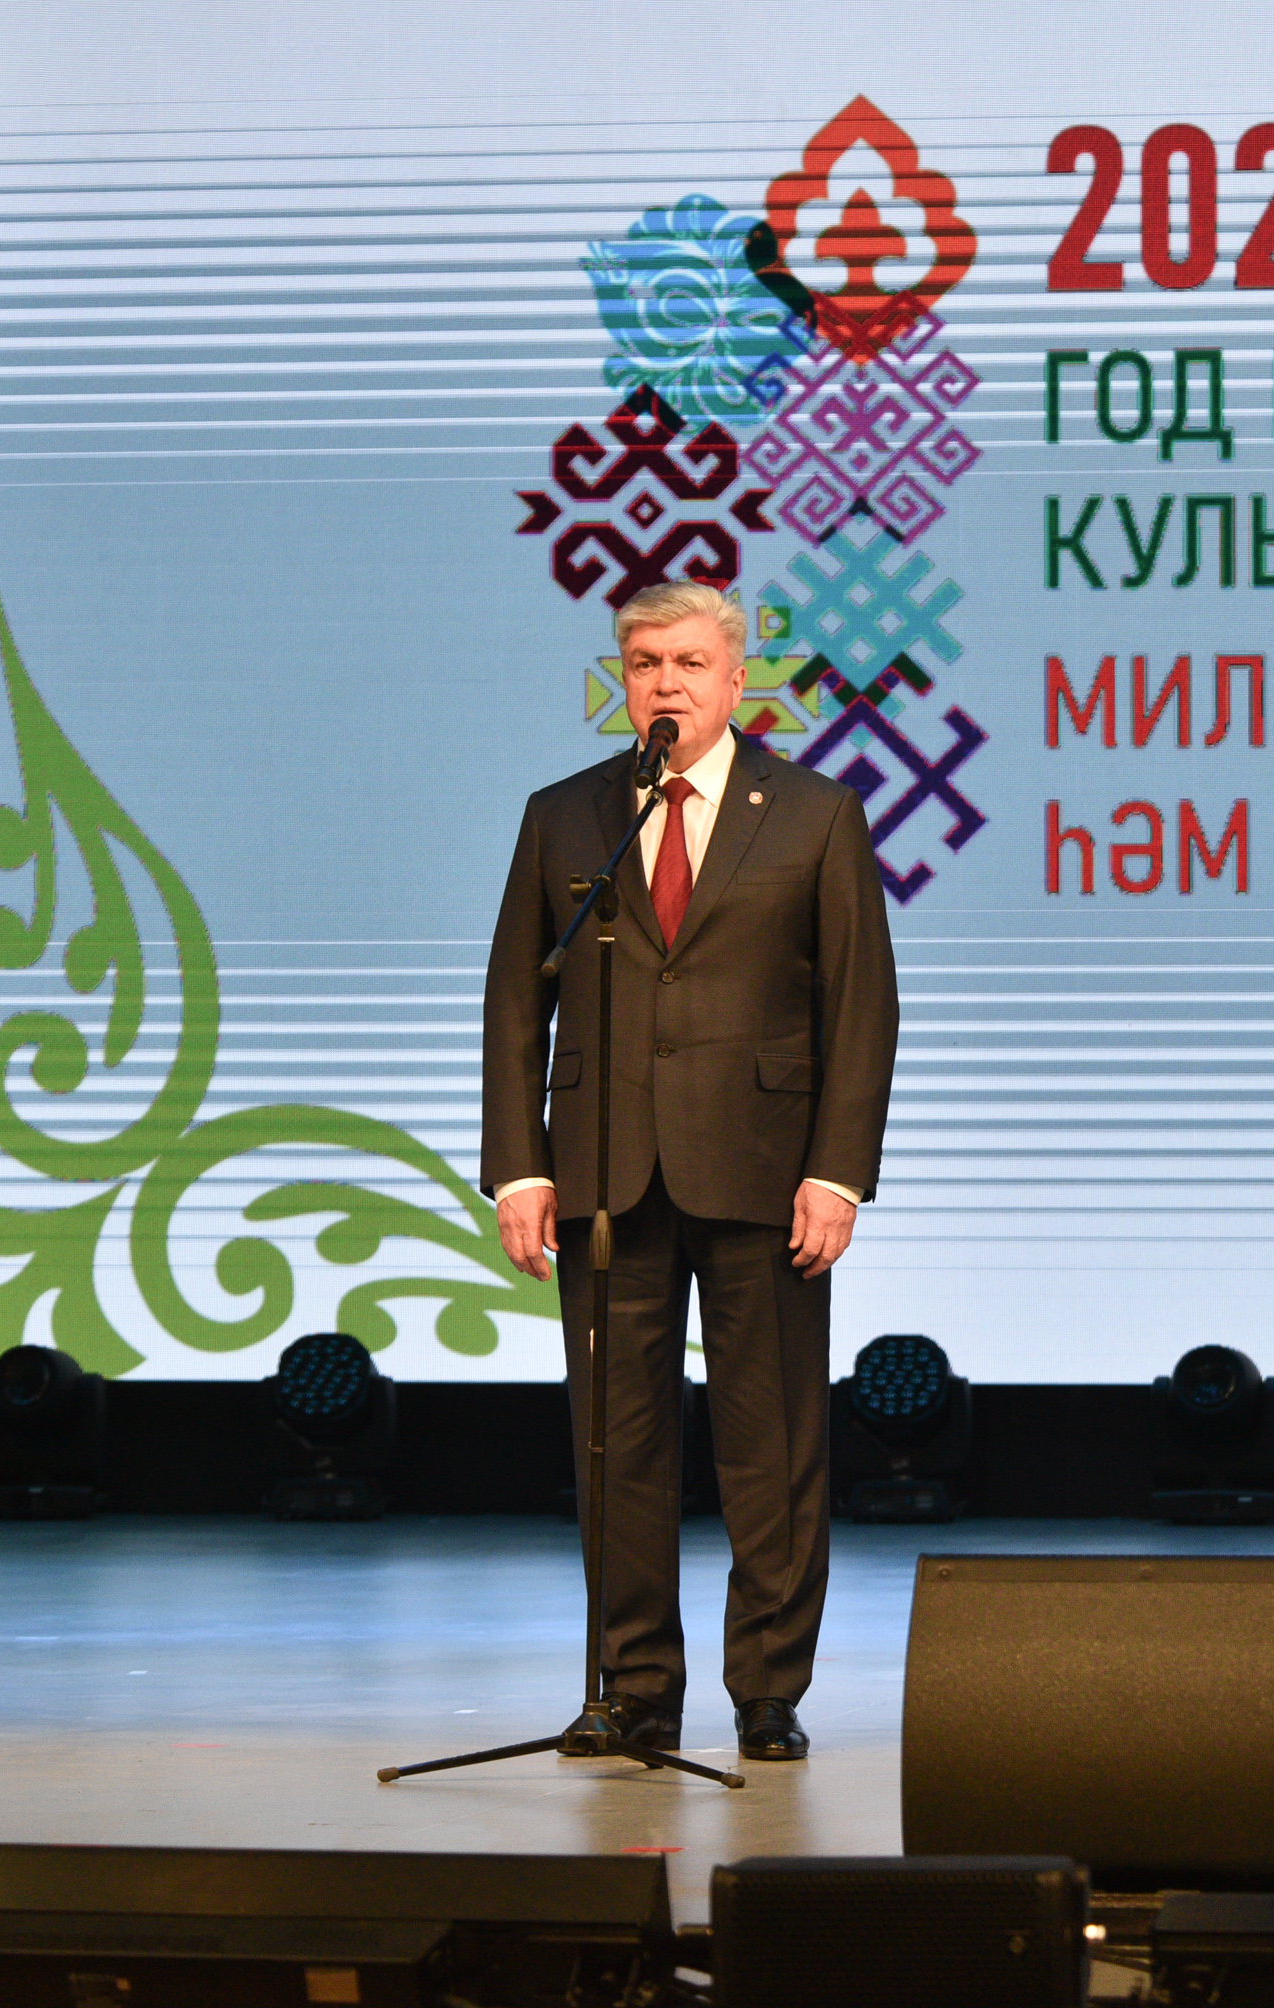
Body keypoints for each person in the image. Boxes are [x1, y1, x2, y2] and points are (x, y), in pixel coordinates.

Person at [481, 579, 898, 1762]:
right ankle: (633, 1688)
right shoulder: (566, 815)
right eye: (645, 662)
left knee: (771, 1444)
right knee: (616, 1443)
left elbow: (859, 1005)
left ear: (733, 678)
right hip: (602, 1171)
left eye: (688, 662)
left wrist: (838, 1173)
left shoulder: (814, 813)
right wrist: (518, 1168)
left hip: (765, 1171)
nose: (665, 681)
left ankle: (767, 1688)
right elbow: (514, 998)